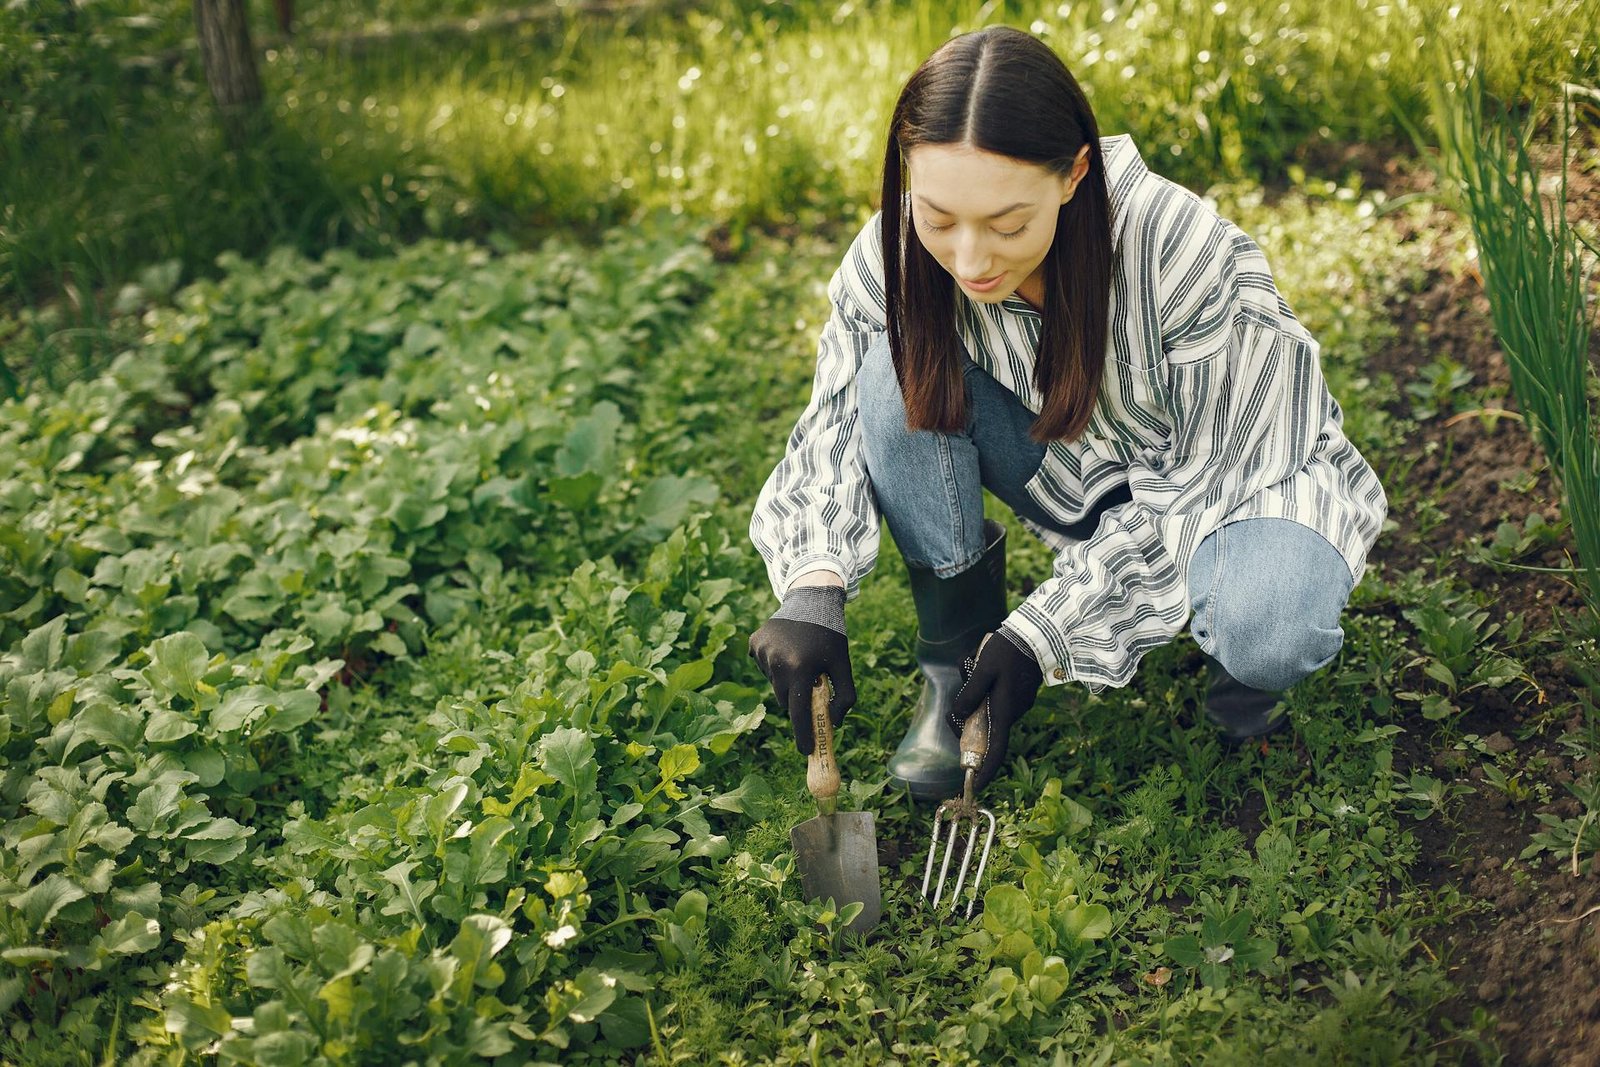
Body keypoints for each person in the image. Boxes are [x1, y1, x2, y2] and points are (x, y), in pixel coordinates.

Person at [747, 26, 1385, 801]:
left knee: (1267, 624)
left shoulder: (1178, 251)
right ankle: (958, 671)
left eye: (1009, 224)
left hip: (1238, 485)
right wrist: (813, 585)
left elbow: (1202, 487)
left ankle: (1234, 656)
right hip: (1073, 469)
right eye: (941, 217)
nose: (972, 259)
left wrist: (1038, 633)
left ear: (1076, 173)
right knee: (890, 368)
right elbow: (837, 417)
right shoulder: (896, 249)